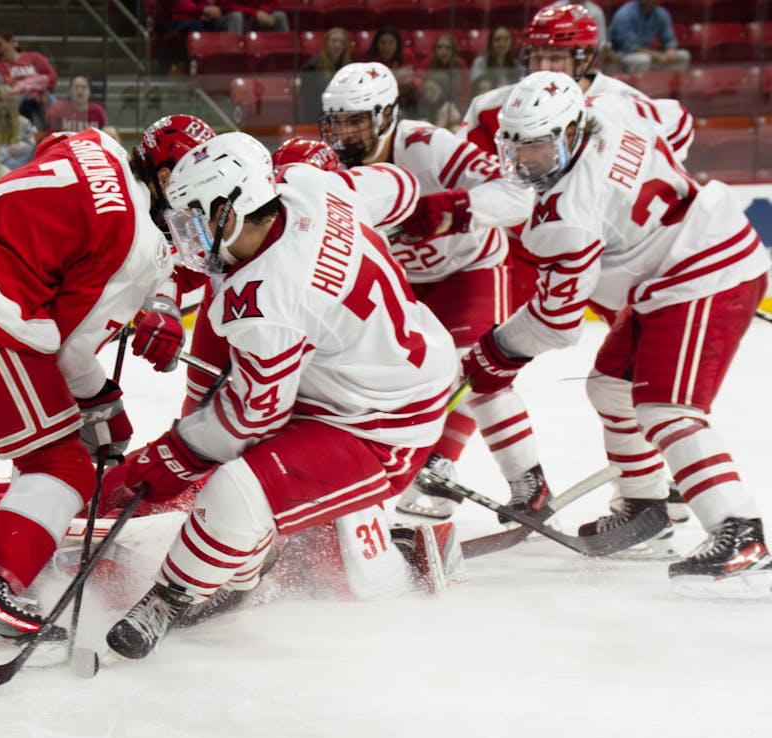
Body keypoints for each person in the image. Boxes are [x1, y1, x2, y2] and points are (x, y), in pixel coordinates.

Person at [103, 131, 458, 659]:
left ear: (231, 209)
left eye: (194, 219)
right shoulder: (310, 184)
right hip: (375, 373)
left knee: (235, 490)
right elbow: (398, 185)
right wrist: (435, 209)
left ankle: (176, 594)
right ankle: (240, 554)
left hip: (381, 422)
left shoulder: (269, 298)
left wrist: (166, 460)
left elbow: (247, 419)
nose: (187, 237)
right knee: (229, 470)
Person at [0, 125, 191, 664]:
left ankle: (14, 544)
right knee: (64, 463)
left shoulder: (94, 143)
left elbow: (55, 143)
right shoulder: (137, 244)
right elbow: (70, 351)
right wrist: (104, 404)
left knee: (43, 447)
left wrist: (158, 302)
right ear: (165, 177)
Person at [483, 70, 770, 597]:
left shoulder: (565, 212)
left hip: (699, 272)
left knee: (668, 409)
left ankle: (740, 532)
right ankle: (645, 506)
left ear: (570, 132)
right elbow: (678, 121)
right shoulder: (615, 106)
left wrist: (496, 350)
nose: (526, 162)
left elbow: (555, 322)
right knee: (610, 388)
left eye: (540, 148)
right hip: (679, 265)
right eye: (518, 148)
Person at [459, 3, 695, 527]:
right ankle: (490, 474)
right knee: (479, 353)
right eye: (538, 52)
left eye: (558, 54)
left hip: (614, 261)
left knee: (642, 377)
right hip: (529, 252)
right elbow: (477, 177)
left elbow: (673, 143)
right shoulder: (496, 106)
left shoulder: (621, 102)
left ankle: (659, 480)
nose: (545, 62)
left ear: (587, 56)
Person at [319, 62, 544, 522]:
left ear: (386, 115)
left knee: (476, 372)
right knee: (402, 381)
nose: (344, 133)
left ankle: (529, 481)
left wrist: (449, 209)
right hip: (408, 284)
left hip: (471, 266)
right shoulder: (333, 167)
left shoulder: (426, 145)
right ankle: (434, 469)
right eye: (337, 121)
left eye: (356, 119)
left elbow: (518, 195)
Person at [0, 30, 58, 131]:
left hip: (41, 95)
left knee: (50, 99)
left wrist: (34, 86)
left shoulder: (34, 57)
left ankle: (56, 132)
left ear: (12, 42)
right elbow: (10, 85)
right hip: (17, 99)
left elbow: (52, 77)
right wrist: (36, 82)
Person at [608, 0, 690, 74]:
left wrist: (670, 50)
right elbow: (629, 46)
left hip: (649, 53)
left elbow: (669, 40)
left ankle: (670, 87)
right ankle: (636, 88)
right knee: (643, 60)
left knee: (683, 56)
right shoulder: (625, 13)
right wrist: (656, 56)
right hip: (620, 55)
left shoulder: (661, 13)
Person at [363, 25, 420, 118]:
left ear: (397, 44)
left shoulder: (407, 56)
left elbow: (417, 80)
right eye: (383, 43)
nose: (387, 47)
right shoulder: (370, 62)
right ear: (377, 44)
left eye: (391, 42)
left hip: (405, 103)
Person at [299, 27, 351, 124]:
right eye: (334, 41)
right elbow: (309, 101)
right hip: (318, 118)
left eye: (342, 42)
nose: (337, 45)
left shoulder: (349, 68)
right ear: (326, 43)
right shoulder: (312, 67)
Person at [419, 32, 469, 109]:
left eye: (447, 47)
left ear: (453, 50)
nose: (443, 51)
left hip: (454, 107)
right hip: (430, 106)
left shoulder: (460, 65)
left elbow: (465, 93)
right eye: (440, 47)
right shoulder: (427, 64)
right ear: (435, 50)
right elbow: (421, 90)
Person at [469, 26, 518, 90]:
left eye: (506, 39)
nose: (502, 43)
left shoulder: (515, 64)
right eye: (497, 40)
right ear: (491, 43)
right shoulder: (480, 62)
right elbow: (477, 89)